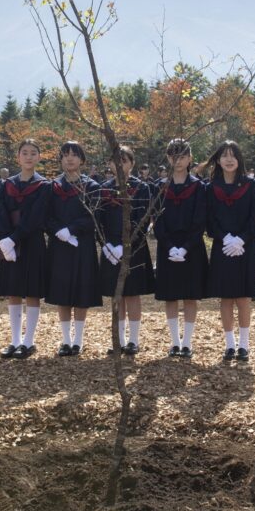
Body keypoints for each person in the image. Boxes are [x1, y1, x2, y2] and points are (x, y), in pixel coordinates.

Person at [205, 141, 255, 362]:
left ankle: (244, 345)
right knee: (226, 297)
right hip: (223, 247)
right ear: (218, 160)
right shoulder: (211, 188)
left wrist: (241, 239)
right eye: (224, 155)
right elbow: (209, 220)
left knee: (243, 297)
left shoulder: (252, 184)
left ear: (239, 159)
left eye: (233, 155)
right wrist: (226, 238)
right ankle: (230, 344)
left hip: (245, 247)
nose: (229, 159)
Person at [0, 139, 51, 359]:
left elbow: (37, 217)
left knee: (32, 291)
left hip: (32, 241)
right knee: (13, 290)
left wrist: (15, 237)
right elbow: (1, 213)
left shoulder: (45, 186)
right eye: (24, 153)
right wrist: (5, 240)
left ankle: (29, 341)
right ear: (17, 157)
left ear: (39, 157)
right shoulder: (6, 184)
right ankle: (15, 339)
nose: (28, 157)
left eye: (33, 153)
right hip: (9, 243)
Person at [45, 141, 102, 355]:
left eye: (74, 154)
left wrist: (73, 229)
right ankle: (65, 340)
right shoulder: (53, 186)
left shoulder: (92, 186)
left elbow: (93, 217)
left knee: (81, 291)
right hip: (59, 245)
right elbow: (46, 215)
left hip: (82, 245)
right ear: (60, 159)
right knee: (62, 292)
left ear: (82, 159)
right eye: (66, 154)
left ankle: (77, 339)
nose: (70, 158)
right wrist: (58, 230)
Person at [153, 139, 208, 359]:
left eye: (183, 155)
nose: (178, 160)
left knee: (190, 296)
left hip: (191, 247)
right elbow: (157, 220)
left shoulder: (199, 187)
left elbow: (200, 220)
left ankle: (187, 342)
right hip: (167, 248)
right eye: (174, 155)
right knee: (171, 296)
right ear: (168, 158)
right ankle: (175, 341)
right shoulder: (159, 187)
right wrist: (169, 246)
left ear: (190, 158)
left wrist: (185, 248)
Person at [99, 146, 156, 355]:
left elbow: (143, 218)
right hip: (110, 249)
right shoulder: (103, 188)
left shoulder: (141, 188)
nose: (119, 164)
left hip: (134, 248)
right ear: (109, 164)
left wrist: (126, 245)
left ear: (131, 163)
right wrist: (105, 245)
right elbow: (98, 219)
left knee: (132, 295)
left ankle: (133, 340)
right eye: (115, 160)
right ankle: (119, 340)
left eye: (123, 160)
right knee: (116, 296)